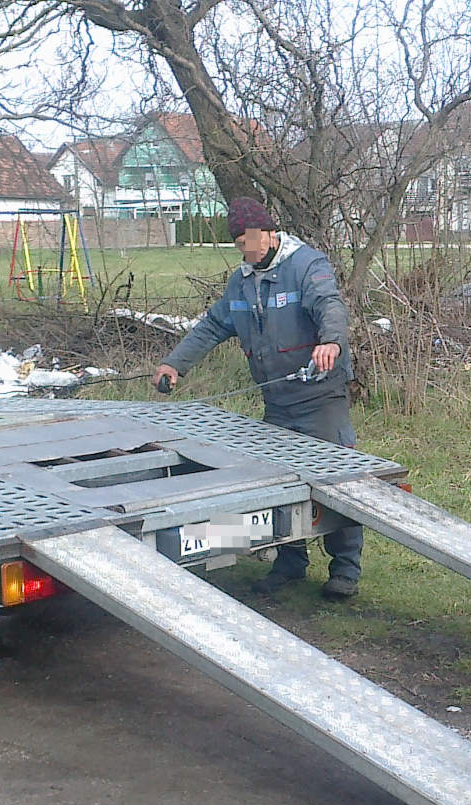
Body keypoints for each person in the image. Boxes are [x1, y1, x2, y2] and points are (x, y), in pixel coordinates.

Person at [153, 197, 363, 600]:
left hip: (320, 398)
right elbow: (213, 326)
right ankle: (290, 562)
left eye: (251, 240)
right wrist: (174, 364)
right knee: (279, 485)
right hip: (278, 404)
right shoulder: (241, 282)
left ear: (269, 233)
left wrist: (331, 342)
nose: (247, 250)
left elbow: (330, 307)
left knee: (337, 483)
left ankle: (345, 570)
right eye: (239, 244)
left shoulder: (307, 266)